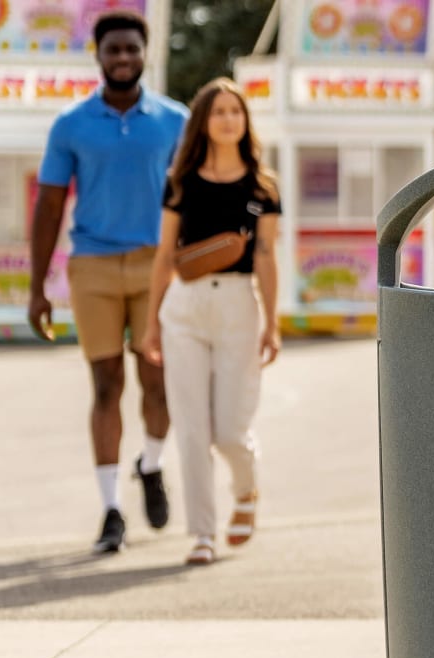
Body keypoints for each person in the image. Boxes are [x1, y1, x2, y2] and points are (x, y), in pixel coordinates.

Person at [28, 10, 189, 553]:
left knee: (157, 381)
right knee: (105, 386)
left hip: (155, 265)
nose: (123, 58)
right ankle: (112, 509)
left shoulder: (174, 120)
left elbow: (193, 198)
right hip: (92, 265)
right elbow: (49, 207)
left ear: (145, 54)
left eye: (131, 50)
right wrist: (35, 287)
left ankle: (152, 464)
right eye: (113, 50)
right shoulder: (70, 124)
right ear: (98, 56)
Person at [141, 77, 281, 567]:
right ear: (204, 121)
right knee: (192, 430)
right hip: (184, 308)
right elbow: (164, 255)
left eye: (235, 111)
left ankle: (247, 491)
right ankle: (201, 533)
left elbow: (264, 256)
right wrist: (151, 322)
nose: (228, 119)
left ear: (245, 121)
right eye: (218, 111)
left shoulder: (262, 186)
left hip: (239, 307)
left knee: (229, 429)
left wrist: (273, 322)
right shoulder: (180, 182)